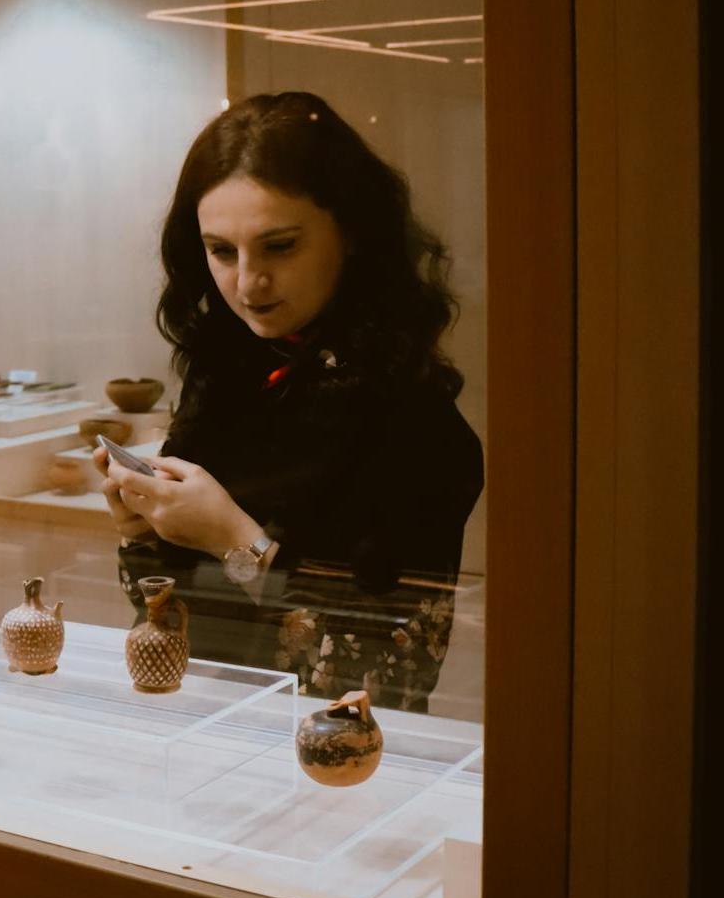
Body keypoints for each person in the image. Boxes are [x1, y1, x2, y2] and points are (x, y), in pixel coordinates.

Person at [95, 91, 483, 712]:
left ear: (351, 233)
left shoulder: (412, 418)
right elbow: (165, 626)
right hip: (200, 727)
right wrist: (141, 526)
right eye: (221, 251)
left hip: (342, 766)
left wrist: (235, 541)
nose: (247, 283)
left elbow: (382, 679)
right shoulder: (228, 373)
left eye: (279, 246)